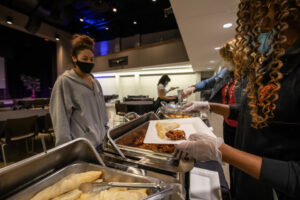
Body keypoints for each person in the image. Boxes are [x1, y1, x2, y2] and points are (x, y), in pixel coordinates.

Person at [177, 0, 300, 199]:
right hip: (247, 182)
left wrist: (223, 152)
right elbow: (249, 112)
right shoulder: (275, 67)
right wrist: (210, 105)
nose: (261, 28)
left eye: (268, 21)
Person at [50, 34, 108, 148]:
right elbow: (60, 119)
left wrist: (106, 132)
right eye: (84, 59)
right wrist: (65, 149)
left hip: (100, 142)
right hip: (82, 146)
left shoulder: (95, 83)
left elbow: (102, 112)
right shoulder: (65, 82)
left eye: (91, 59)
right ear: (74, 58)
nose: (89, 62)